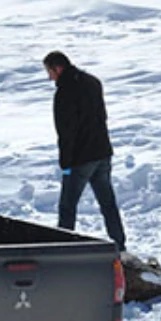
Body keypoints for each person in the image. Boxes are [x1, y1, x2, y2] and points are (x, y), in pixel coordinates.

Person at [43, 51, 127, 252]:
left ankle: (63, 247)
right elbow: (102, 116)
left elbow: (66, 130)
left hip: (80, 159)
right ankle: (119, 243)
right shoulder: (92, 82)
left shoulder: (64, 92)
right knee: (107, 202)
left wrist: (66, 163)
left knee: (67, 206)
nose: (49, 77)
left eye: (49, 71)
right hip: (102, 152)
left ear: (58, 68)